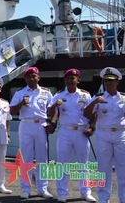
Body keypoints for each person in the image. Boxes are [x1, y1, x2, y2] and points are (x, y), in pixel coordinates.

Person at [48, 69, 96, 202]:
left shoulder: (85, 95)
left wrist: (92, 128)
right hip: (65, 131)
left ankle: (85, 192)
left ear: (78, 80)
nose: (70, 80)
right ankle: (62, 193)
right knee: (62, 163)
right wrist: (54, 105)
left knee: (83, 164)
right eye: (68, 78)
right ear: (64, 80)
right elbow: (50, 112)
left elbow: (92, 113)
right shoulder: (59, 95)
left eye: (73, 78)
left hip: (81, 131)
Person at [9, 67, 54, 199]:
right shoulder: (20, 93)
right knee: (26, 158)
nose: (31, 78)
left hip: (41, 125)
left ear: (38, 77)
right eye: (28, 76)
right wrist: (21, 104)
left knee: (42, 158)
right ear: (25, 79)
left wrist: (52, 123)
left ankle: (43, 188)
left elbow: (52, 110)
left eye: (33, 76)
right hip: (26, 125)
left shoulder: (46, 92)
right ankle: (25, 188)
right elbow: (12, 111)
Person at [84, 67, 125, 203]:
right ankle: (103, 198)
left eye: (111, 81)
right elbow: (86, 113)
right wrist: (94, 102)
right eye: (106, 80)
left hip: (120, 135)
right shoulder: (98, 98)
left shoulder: (124, 98)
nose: (109, 83)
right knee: (103, 168)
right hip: (104, 135)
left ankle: (123, 198)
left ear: (117, 82)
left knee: (123, 168)